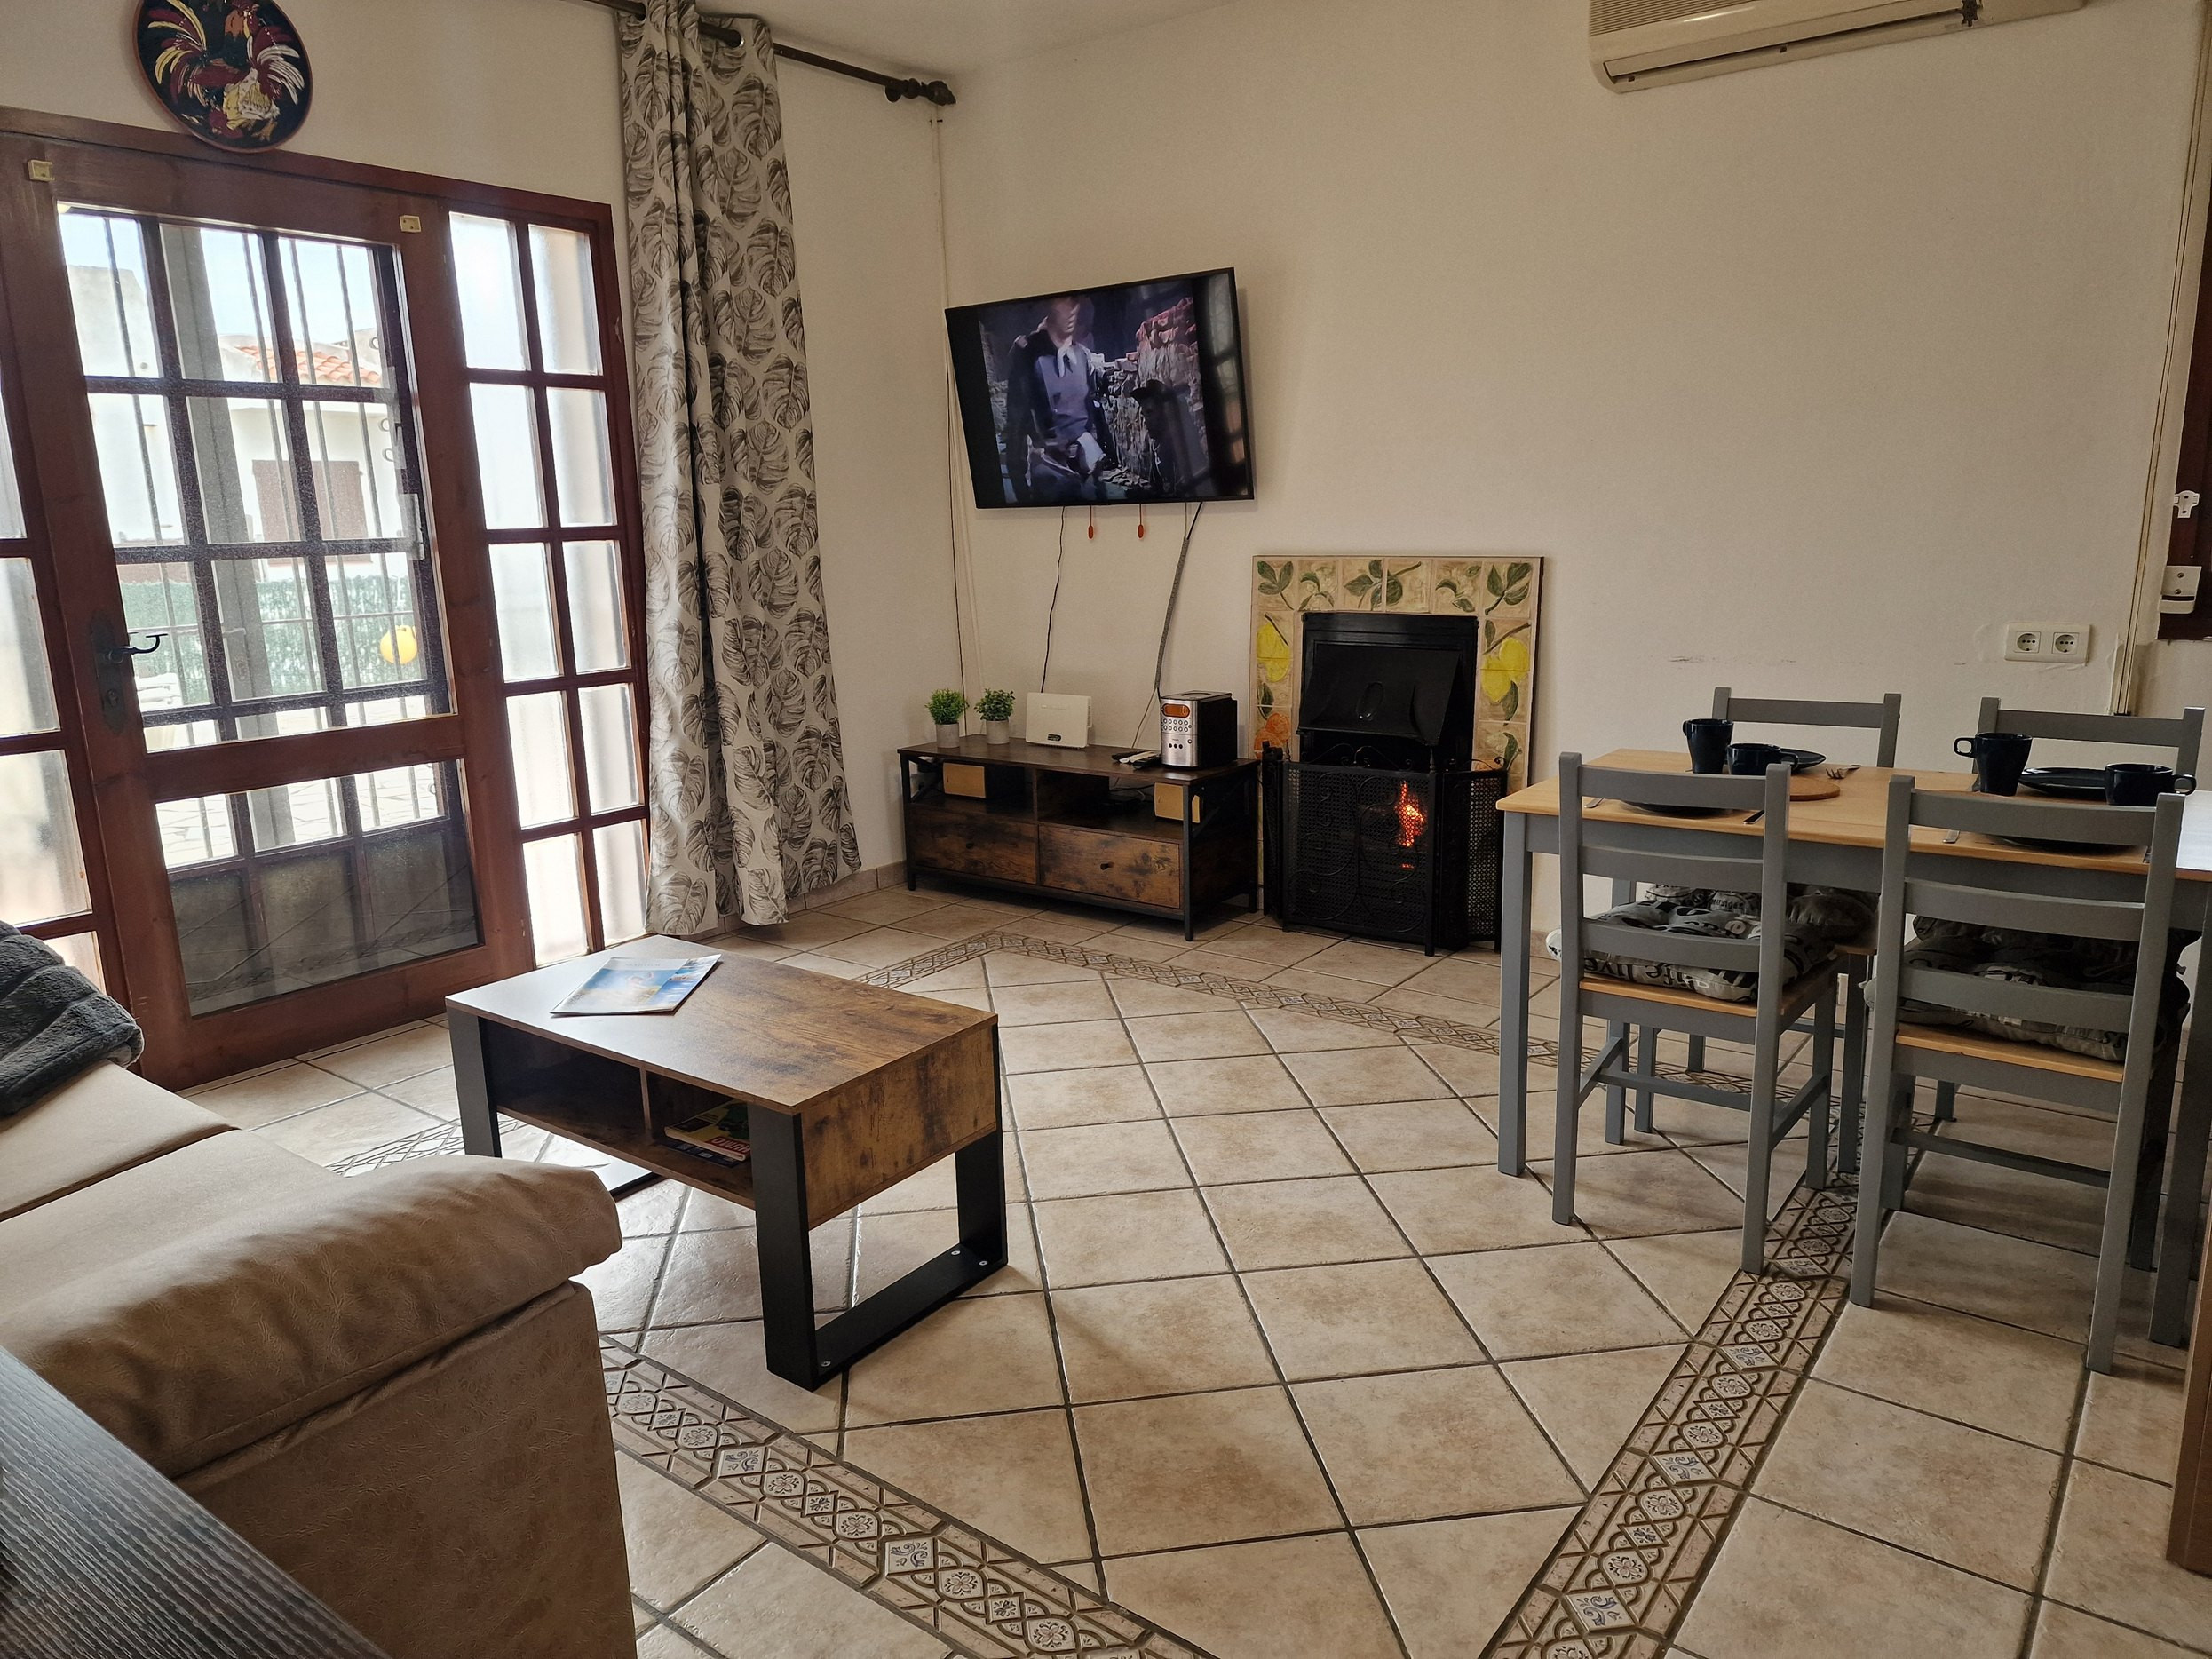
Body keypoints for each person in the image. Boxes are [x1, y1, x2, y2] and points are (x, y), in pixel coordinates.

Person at [1000, 296, 1117, 503]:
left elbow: (1091, 410)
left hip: (1087, 471)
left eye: (1075, 303)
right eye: (1064, 302)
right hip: (1051, 474)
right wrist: (1020, 487)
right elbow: (1016, 423)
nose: (1072, 310)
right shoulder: (1028, 354)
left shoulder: (1081, 355)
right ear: (1049, 305)